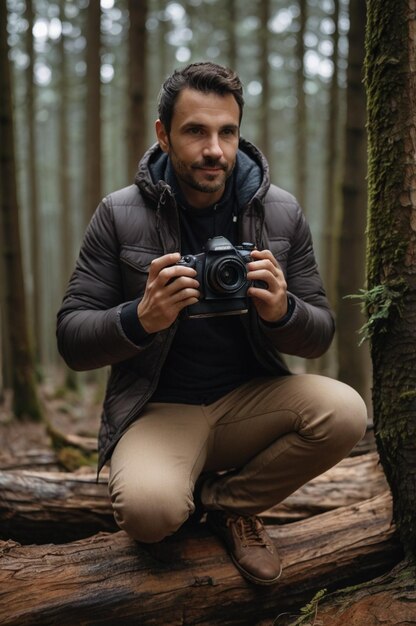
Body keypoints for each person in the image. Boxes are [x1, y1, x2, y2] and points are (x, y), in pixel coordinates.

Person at [57, 61, 367, 586]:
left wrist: (281, 311)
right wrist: (141, 317)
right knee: (151, 515)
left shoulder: (280, 213)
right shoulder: (118, 213)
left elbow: (320, 333)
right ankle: (180, 489)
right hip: (159, 409)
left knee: (344, 411)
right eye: (196, 131)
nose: (214, 150)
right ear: (163, 134)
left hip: (252, 401)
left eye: (227, 132)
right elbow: (71, 337)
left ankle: (227, 507)